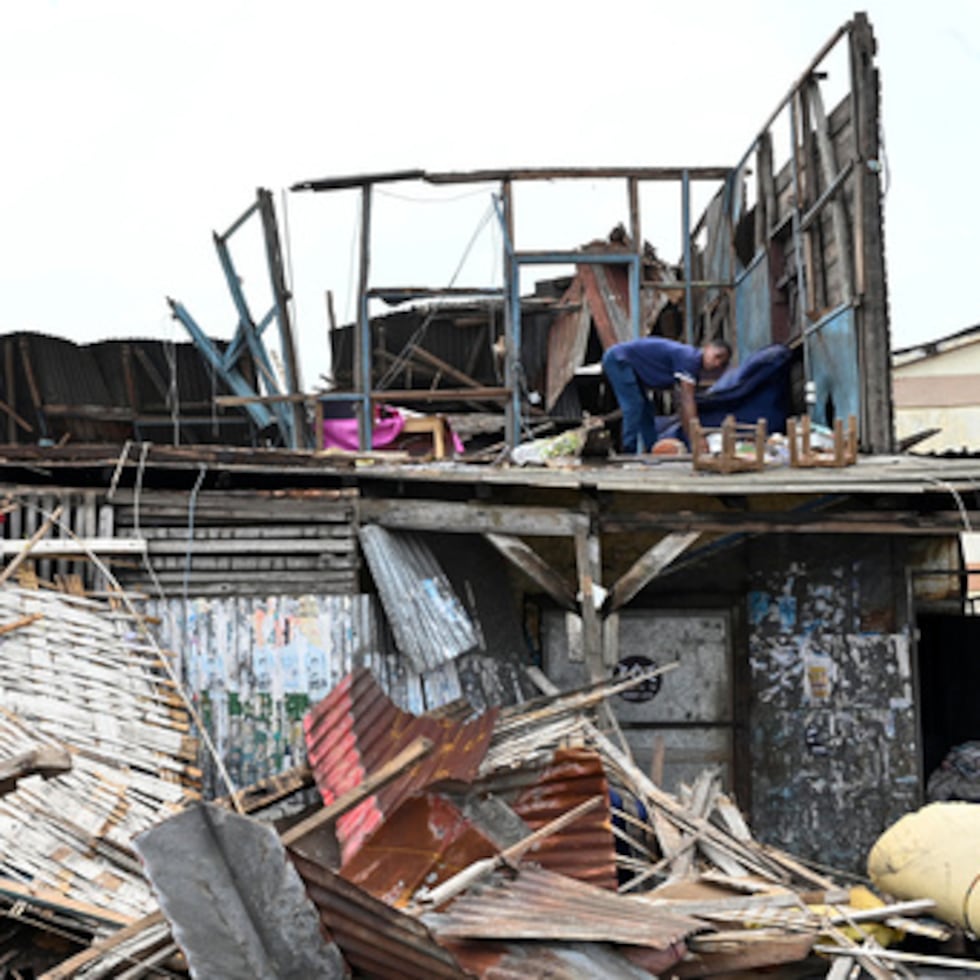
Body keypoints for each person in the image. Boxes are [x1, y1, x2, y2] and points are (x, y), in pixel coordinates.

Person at [602, 336, 732, 453]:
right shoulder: (690, 359)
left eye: (722, 363)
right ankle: (628, 450)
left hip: (631, 367)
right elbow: (687, 401)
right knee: (634, 406)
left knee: (646, 410)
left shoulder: (694, 368)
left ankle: (652, 449)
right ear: (707, 348)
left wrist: (693, 439)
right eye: (717, 356)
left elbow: (682, 405)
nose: (717, 363)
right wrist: (697, 437)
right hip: (619, 360)